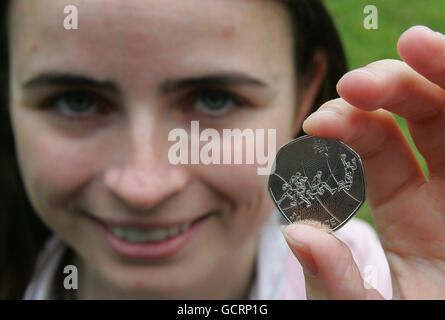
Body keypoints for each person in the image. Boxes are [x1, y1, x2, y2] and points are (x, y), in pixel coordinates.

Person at [0, 0, 443, 300]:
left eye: (215, 99)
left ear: (305, 91)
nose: (143, 187)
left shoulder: (376, 276)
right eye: (75, 101)